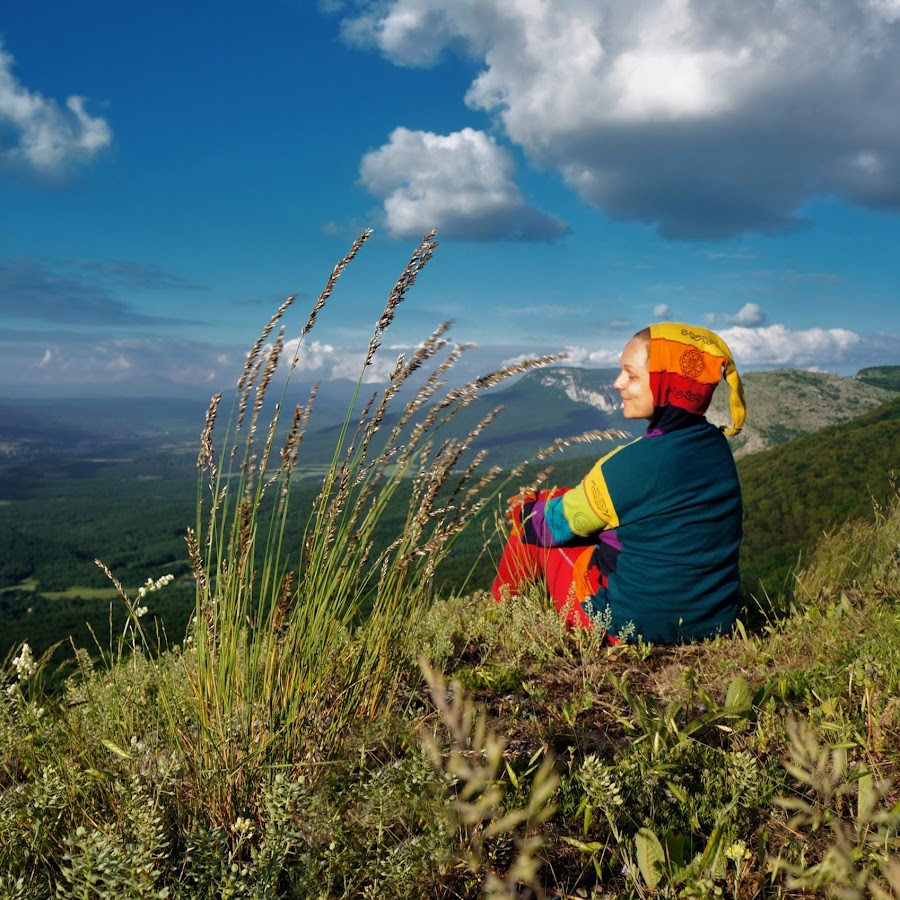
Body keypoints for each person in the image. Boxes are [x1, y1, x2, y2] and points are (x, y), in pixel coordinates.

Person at [491, 322, 746, 645]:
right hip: (714, 624)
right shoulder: (716, 447)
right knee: (557, 499)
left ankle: (493, 619)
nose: (617, 383)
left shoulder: (625, 466)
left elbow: (547, 527)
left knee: (529, 522)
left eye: (632, 375)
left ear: (666, 384)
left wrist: (524, 510)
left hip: (629, 629)